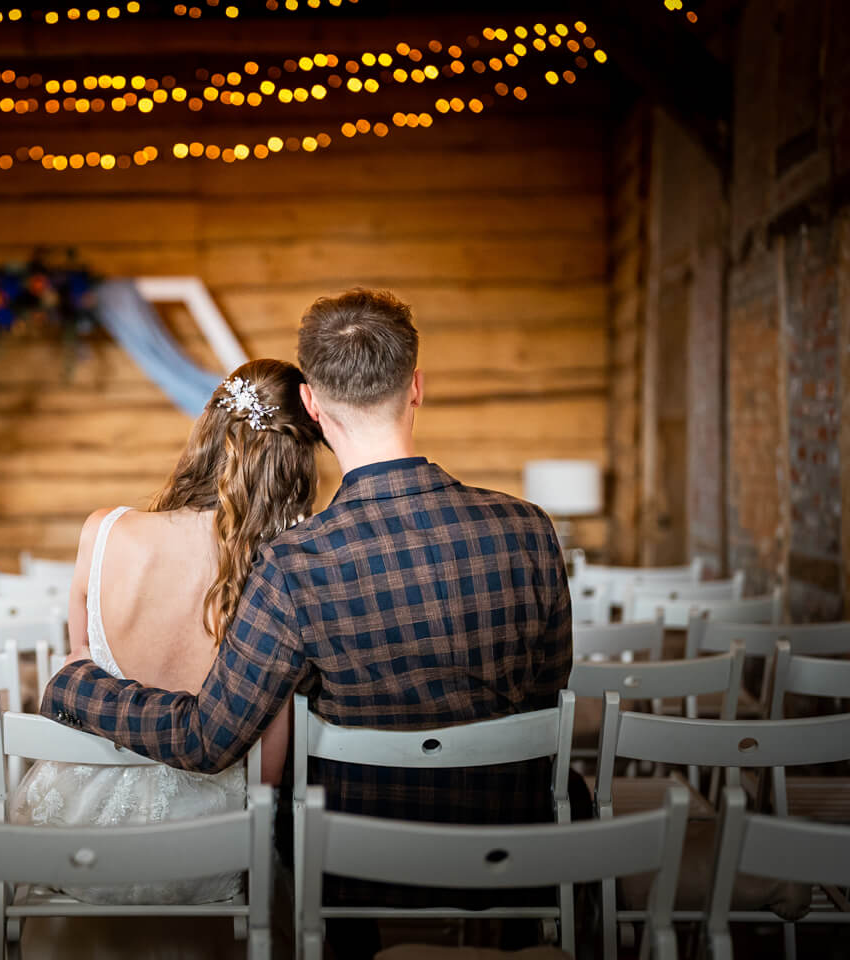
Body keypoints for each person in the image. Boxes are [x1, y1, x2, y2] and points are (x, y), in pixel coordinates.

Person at [41, 288, 574, 954]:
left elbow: (209, 740)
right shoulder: (530, 529)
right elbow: (548, 694)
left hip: (358, 866)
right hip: (522, 845)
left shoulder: (295, 563)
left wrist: (74, 686)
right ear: (416, 387)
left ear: (316, 409)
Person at [8, 357, 322, 909]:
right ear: (294, 462)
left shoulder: (103, 533)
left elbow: (80, 667)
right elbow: (268, 775)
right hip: (204, 847)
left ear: (209, 429)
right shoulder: (275, 574)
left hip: (72, 831)